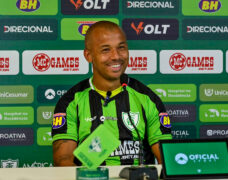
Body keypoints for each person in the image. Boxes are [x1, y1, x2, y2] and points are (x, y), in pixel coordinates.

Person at [52, 21, 172, 166]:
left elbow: (166, 159)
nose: (116, 56)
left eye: (121, 48)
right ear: (88, 55)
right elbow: (63, 162)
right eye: (105, 50)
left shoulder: (147, 98)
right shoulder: (71, 102)